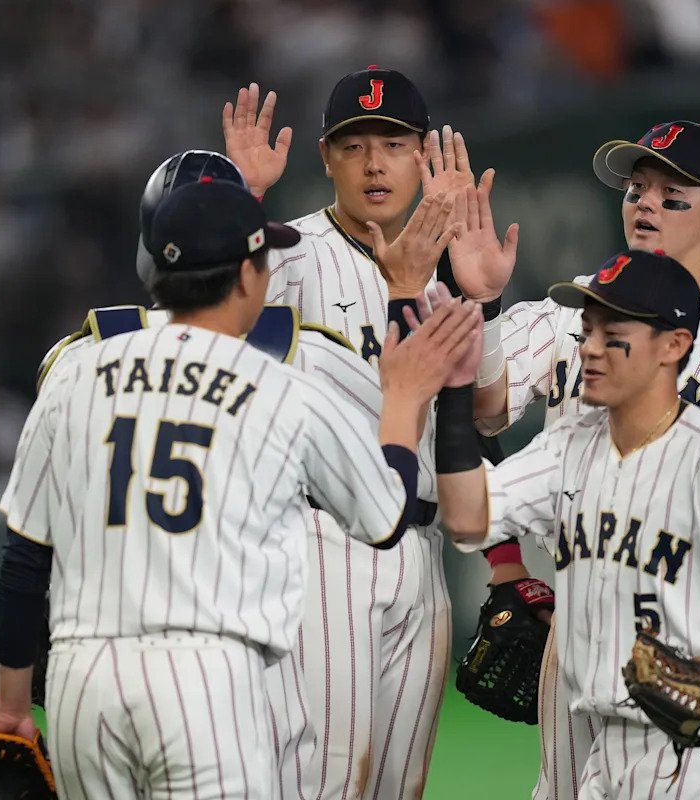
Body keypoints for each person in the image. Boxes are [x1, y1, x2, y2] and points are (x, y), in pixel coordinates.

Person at [0, 177, 481, 799]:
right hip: (205, 677)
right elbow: (385, 517)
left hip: (85, 681)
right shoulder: (281, 380)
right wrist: (404, 400)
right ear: (247, 276)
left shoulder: (77, 370)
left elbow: (25, 557)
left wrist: (10, 709)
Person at [469, 121, 700, 799]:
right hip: (584, 623)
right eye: (636, 189)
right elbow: (483, 405)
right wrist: (484, 302)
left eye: (671, 194)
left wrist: (672, 584)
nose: (644, 203)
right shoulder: (569, 309)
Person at [221, 72, 515, 798]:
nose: (374, 163)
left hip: (421, 555)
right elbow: (217, 329)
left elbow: (489, 413)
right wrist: (244, 202)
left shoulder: (454, 266)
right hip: (325, 545)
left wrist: (486, 297)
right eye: (354, 146)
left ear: (423, 156)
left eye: (392, 143)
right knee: (328, 781)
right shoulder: (289, 252)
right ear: (325, 157)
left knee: (396, 788)